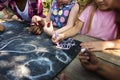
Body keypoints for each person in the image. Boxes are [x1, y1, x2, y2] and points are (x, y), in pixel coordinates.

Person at [52, 0, 119, 45]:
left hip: (105, 55)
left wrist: (104, 45)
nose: (99, 0)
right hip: (84, 47)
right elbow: (76, 28)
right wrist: (63, 35)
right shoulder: (90, 9)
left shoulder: (117, 15)